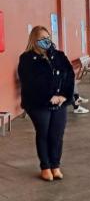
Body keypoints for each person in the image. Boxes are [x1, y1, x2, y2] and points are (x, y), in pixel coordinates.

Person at [18, 26, 74, 181]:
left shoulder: (59, 56)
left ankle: (55, 165)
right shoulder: (27, 59)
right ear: (34, 41)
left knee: (57, 134)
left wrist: (64, 95)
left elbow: (69, 75)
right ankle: (45, 166)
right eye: (42, 39)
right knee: (44, 132)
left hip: (60, 101)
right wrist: (49, 97)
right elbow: (29, 82)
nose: (46, 41)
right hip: (38, 103)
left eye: (48, 37)